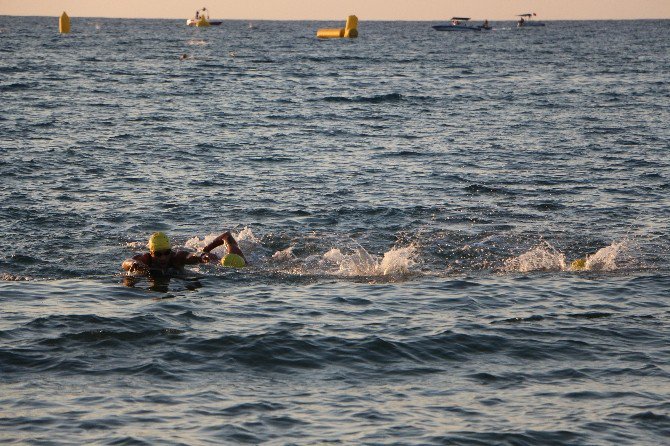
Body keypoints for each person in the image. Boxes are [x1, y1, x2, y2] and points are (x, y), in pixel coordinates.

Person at [122, 231, 246, 276]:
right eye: (158, 254)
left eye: (167, 252)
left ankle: (209, 248)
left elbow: (189, 255)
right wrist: (133, 264)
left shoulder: (176, 257)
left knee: (240, 258)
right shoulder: (145, 259)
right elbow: (126, 262)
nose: (163, 257)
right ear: (151, 252)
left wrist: (202, 256)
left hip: (231, 260)